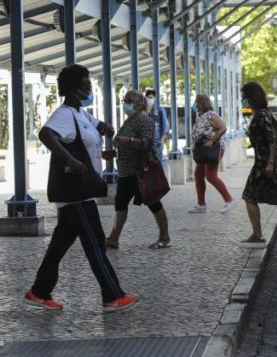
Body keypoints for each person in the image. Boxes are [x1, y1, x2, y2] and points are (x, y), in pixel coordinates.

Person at [25, 64, 138, 312]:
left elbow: (98, 128)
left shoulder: (81, 113)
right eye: (87, 85)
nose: (90, 90)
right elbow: (46, 134)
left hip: (80, 192)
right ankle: (112, 295)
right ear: (76, 89)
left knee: (59, 245)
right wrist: (71, 160)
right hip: (76, 192)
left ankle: (39, 291)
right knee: (95, 242)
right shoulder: (65, 113)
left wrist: (103, 142)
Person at [105, 90, 171, 250]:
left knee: (153, 203)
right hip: (125, 172)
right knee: (120, 203)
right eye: (124, 100)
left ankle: (165, 237)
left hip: (140, 171)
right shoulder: (129, 120)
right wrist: (113, 152)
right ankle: (113, 238)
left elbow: (147, 144)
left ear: (140, 103)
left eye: (129, 100)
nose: (126, 103)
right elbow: (123, 145)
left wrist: (128, 140)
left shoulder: (144, 121)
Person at [240, 82, 277, 247]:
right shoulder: (264, 113)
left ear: (252, 98)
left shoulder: (261, 115)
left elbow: (273, 139)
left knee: (249, 196)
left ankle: (257, 235)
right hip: (268, 163)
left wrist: (270, 164)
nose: (243, 100)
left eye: (244, 97)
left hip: (265, 164)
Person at [189, 94, 234, 213]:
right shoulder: (201, 116)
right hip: (203, 151)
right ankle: (201, 204)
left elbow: (223, 128)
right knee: (198, 175)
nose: (195, 105)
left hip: (212, 149)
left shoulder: (211, 115)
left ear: (202, 103)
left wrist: (211, 141)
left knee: (211, 176)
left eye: (196, 102)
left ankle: (229, 200)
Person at [144, 89, 169, 170]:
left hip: (157, 144)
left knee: (158, 166)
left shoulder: (160, 110)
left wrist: (161, 141)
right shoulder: (144, 112)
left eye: (151, 97)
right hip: (146, 144)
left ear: (154, 98)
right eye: (148, 97)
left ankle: (160, 182)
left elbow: (165, 126)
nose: (149, 99)